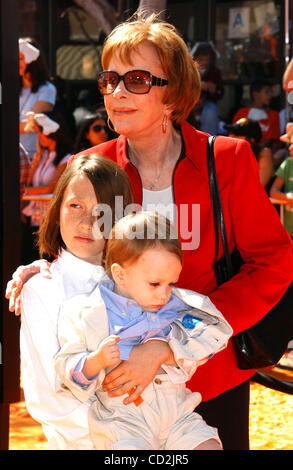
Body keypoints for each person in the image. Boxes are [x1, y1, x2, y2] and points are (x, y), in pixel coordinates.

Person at [7, 12, 293, 450]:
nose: (116, 92)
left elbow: (274, 263)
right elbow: (86, 254)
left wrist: (171, 345)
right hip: (118, 394)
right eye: (109, 80)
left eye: (137, 80)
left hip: (209, 378)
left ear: (174, 93)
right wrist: (46, 272)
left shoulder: (228, 160)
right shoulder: (94, 165)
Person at [54, 211, 232, 450]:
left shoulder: (178, 305)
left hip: (178, 415)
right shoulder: (86, 314)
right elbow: (67, 368)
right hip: (123, 422)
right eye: (155, 283)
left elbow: (214, 336)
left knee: (210, 446)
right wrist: (96, 360)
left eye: (171, 283)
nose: (164, 293)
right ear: (120, 273)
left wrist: (166, 348)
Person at [18, 154, 134, 449]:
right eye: (75, 206)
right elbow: (47, 398)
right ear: (57, 210)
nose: (87, 222)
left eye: (102, 211)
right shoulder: (42, 290)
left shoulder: (139, 283)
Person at [21, 111, 73, 263]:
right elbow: (28, 182)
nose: (38, 137)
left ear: (51, 134)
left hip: (51, 222)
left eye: (40, 132)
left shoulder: (67, 158)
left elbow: (50, 188)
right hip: (34, 219)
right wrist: (36, 158)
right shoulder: (42, 156)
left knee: (47, 263)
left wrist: (20, 192)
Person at [19, 38, 57, 161]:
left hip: (31, 155)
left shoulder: (47, 89)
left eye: (21, 58)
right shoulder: (9, 87)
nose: (16, 62)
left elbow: (33, 124)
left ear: (34, 60)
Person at [224, 118, 274, 190]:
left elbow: (259, 186)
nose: (231, 136)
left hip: (256, 199)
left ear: (252, 140)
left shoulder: (264, 153)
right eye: (231, 133)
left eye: (237, 134)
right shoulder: (228, 152)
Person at [190, 42, 224, 135]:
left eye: (207, 60)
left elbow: (220, 93)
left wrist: (214, 91)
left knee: (211, 111)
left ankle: (209, 142)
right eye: (201, 60)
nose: (204, 63)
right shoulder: (188, 71)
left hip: (207, 104)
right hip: (189, 102)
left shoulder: (215, 72)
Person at [233, 79, 280, 145]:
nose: (270, 95)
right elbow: (235, 136)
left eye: (271, 92)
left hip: (264, 153)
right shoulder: (241, 113)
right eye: (267, 92)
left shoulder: (274, 115)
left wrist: (257, 149)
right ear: (255, 94)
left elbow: (272, 139)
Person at [270, 122, 293, 238]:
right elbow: (273, 191)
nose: (290, 147)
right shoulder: (288, 163)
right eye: (290, 143)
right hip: (289, 230)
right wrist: (286, 197)